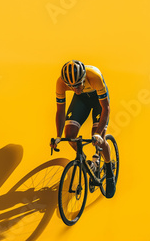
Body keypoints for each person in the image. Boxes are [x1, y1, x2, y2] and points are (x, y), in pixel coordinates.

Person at [50, 60, 116, 198]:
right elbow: (60, 111)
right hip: (81, 101)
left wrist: (98, 134)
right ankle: (86, 162)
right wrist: (58, 136)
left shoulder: (94, 76)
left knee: (98, 139)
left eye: (78, 85)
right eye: (71, 87)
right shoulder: (60, 82)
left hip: (98, 100)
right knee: (70, 134)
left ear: (84, 78)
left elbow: (106, 108)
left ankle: (109, 170)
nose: (75, 89)